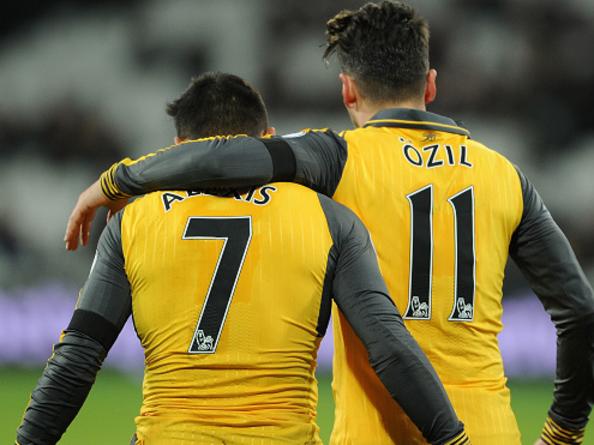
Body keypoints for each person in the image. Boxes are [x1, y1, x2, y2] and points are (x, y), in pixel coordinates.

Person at [64, 2, 594, 444]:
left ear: (347, 91)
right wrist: (564, 428)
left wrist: (115, 182)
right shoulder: (504, 175)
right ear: (430, 85)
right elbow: (579, 311)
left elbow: (223, 157)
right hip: (486, 430)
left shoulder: (335, 156)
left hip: (373, 430)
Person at [17, 72, 470, 445]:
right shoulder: (330, 219)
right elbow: (388, 347)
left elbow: (79, 355)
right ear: (270, 140)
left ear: (178, 148)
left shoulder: (134, 222)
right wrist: (451, 439)